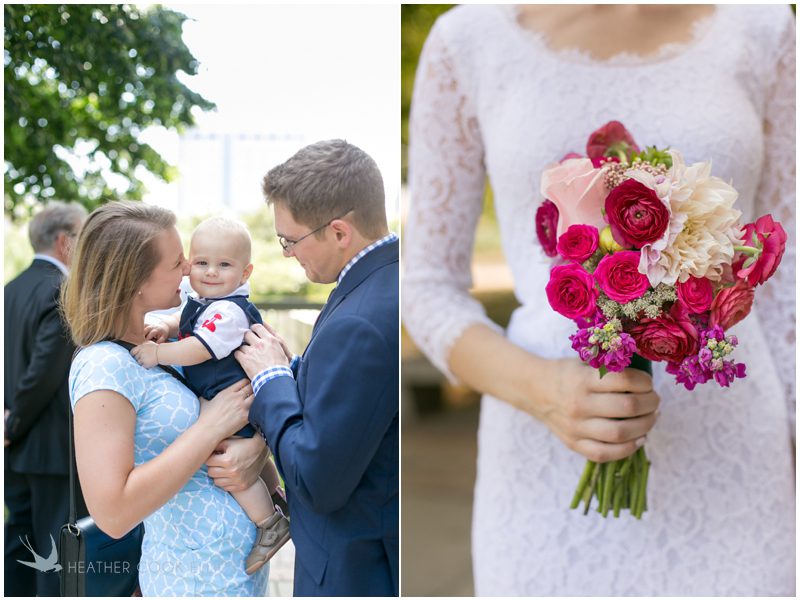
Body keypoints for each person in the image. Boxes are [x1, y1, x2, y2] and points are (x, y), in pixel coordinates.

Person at [403, 4, 794, 596]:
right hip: (539, 460)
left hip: (737, 464)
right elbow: (426, 286)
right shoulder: (468, 39)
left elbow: (789, 278)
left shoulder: (766, 28)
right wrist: (544, 390)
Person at [61, 200, 270, 596]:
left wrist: (256, 448)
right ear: (135, 279)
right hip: (192, 580)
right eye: (178, 263)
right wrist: (209, 428)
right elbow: (113, 512)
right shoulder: (104, 365)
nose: (191, 269)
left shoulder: (161, 342)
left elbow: (227, 422)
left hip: (229, 571)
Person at [234, 139, 399, 596]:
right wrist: (296, 369)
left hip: (356, 572)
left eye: (290, 240)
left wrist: (271, 381)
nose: (287, 253)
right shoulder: (379, 279)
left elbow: (316, 479)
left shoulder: (363, 319)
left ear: (339, 232)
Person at [130, 216, 290, 574]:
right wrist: (166, 325)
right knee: (253, 460)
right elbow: (185, 320)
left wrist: (158, 353)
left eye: (224, 265)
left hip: (232, 397)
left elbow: (200, 347)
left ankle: (269, 523)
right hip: (225, 395)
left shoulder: (229, 312)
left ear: (245, 273)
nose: (211, 272)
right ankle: (278, 497)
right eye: (201, 262)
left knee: (229, 463)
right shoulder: (203, 299)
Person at [4, 201, 88, 596]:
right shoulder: (63, 290)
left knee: (18, 547)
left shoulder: (10, 289)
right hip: (52, 449)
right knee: (55, 559)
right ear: (63, 242)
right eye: (82, 234)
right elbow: (44, 373)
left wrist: (8, 424)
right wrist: (13, 421)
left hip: (15, 446)